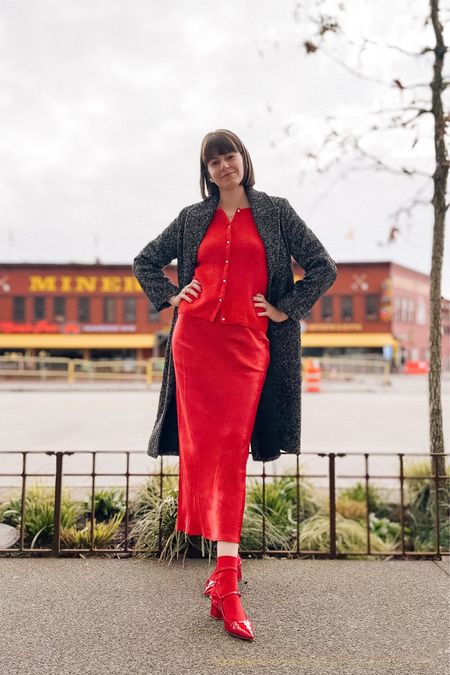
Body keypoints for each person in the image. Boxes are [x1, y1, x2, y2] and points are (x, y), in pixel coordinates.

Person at [132, 128, 338, 642]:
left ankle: (225, 577)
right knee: (206, 455)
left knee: (231, 453)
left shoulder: (275, 211)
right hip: (195, 344)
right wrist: (176, 294)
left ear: (244, 159)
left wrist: (284, 308)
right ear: (206, 172)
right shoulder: (192, 218)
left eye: (231, 156)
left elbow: (323, 267)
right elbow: (144, 260)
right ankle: (226, 578)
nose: (225, 166)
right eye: (214, 160)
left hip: (248, 350)